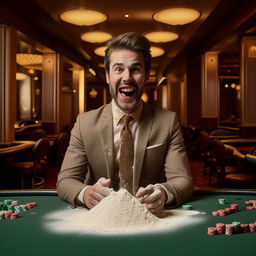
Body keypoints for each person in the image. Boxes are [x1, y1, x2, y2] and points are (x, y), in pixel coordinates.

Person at [57, 32, 193, 214]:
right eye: (118, 69)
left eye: (135, 69)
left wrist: (163, 193)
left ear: (145, 76)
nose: (127, 77)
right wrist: (86, 193)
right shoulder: (84, 123)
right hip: (100, 217)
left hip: (148, 218)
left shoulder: (168, 122)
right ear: (107, 76)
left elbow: (183, 180)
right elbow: (65, 180)